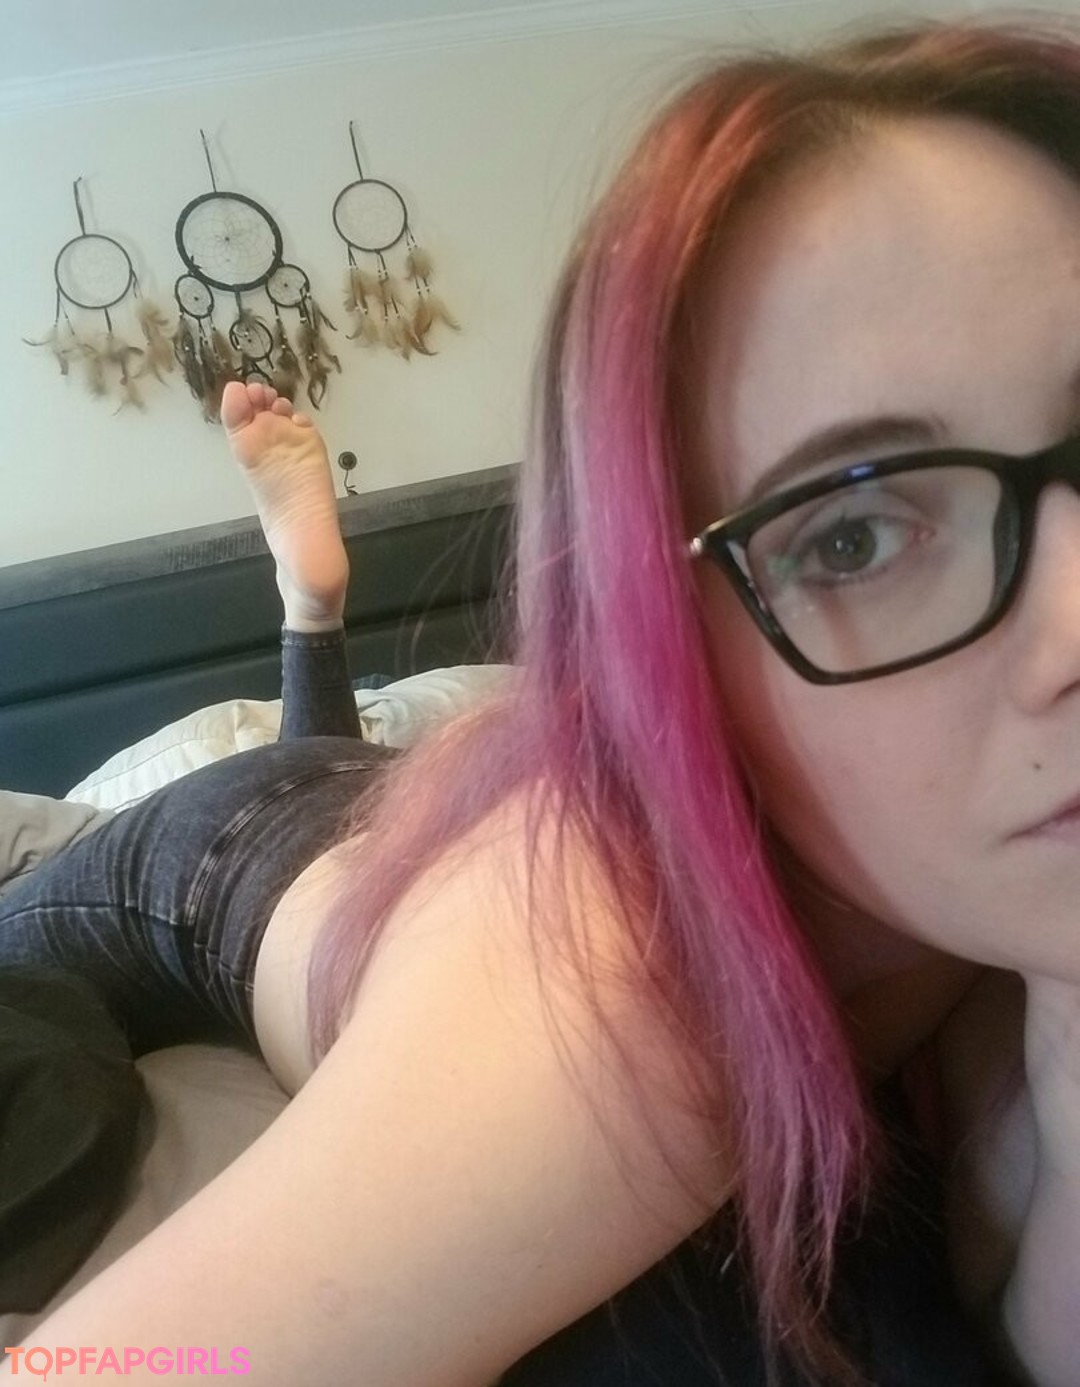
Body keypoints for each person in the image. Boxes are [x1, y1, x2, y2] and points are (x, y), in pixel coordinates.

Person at [4, 14, 1080, 1384]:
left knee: (369, 778)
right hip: (202, 861)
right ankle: (309, 610)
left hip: (396, 827)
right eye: (854, 536)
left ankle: (315, 622)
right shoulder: (611, 1020)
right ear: (671, 659)